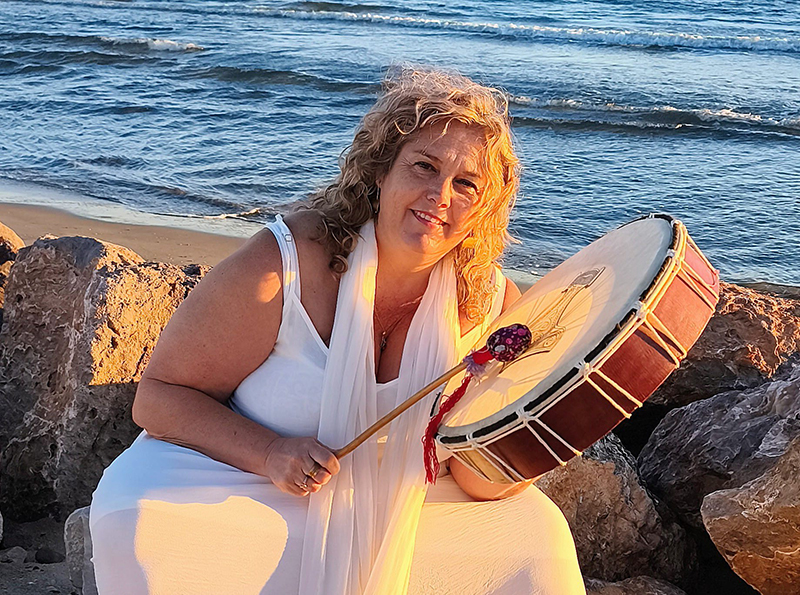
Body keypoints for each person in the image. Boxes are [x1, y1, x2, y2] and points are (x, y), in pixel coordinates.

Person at [89, 66, 586, 595]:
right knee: (138, 521)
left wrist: (543, 434)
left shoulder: (494, 308)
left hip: (412, 501)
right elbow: (159, 399)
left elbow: (474, 479)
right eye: (423, 166)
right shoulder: (285, 266)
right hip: (247, 478)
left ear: (484, 207)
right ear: (380, 172)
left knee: (539, 544)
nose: (440, 194)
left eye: (466, 184)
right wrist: (270, 452)